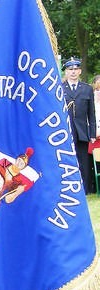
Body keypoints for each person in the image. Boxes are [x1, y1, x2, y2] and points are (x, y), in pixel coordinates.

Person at [62, 57, 98, 194]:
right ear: (66, 72)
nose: (73, 72)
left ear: (80, 71)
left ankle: (86, 189)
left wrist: (93, 133)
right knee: (68, 161)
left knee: (84, 161)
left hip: (82, 131)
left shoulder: (87, 89)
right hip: (66, 131)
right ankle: (69, 190)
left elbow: (92, 114)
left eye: (76, 69)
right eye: (70, 69)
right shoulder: (60, 88)